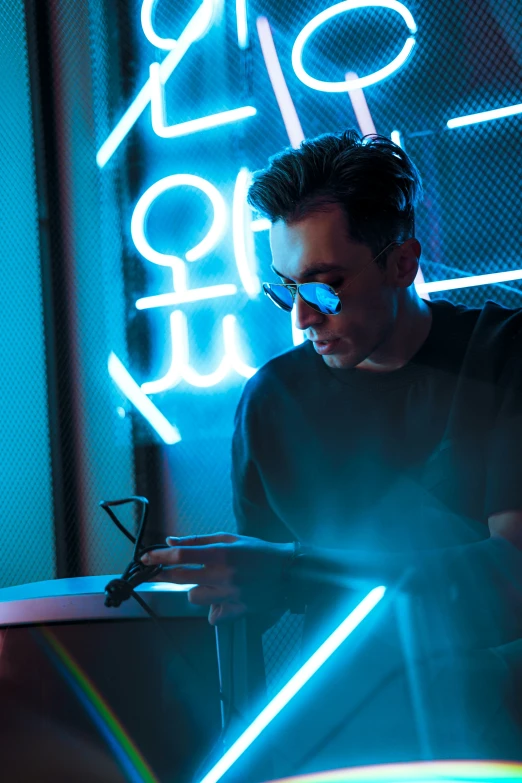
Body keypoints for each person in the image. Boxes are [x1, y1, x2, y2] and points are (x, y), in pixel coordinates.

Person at [143, 131, 522, 765]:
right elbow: (246, 617)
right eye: (285, 288)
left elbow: (510, 581)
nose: (300, 318)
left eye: (324, 288)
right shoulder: (272, 402)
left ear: (403, 263)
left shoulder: (504, 356)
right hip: (348, 745)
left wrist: (294, 569)